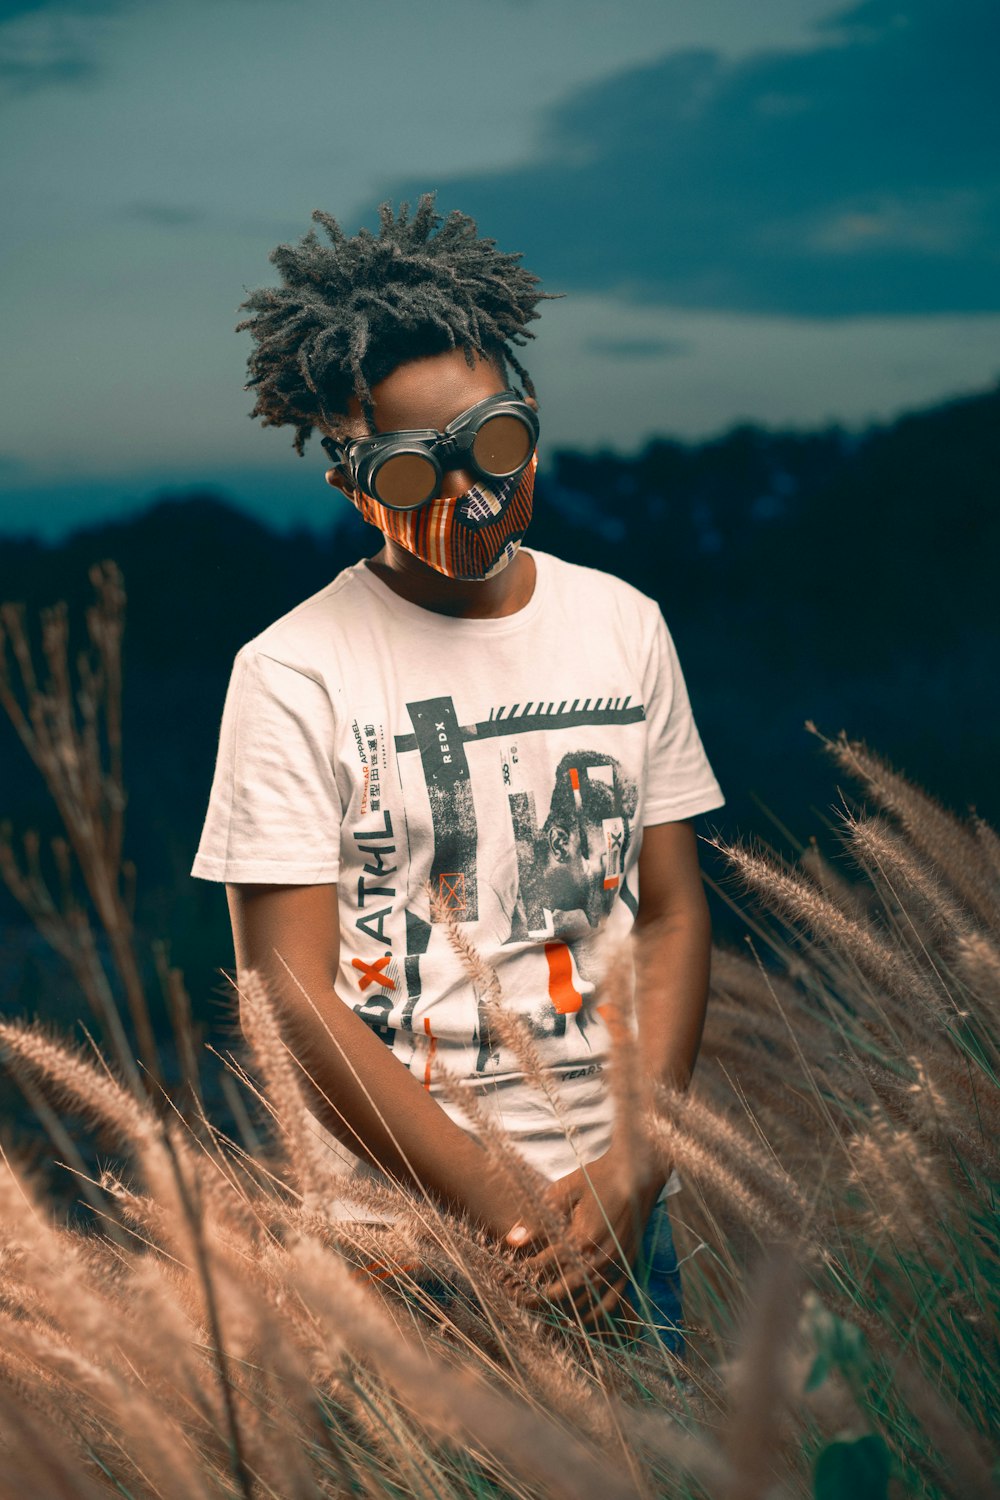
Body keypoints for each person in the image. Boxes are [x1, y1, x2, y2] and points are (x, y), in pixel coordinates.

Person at [191, 194, 724, 1355]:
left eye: (491, 446)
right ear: (349, 482)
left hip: (625, 1219)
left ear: (531, 414)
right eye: (410, 475)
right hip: (407, 1251)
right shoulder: (292, 672)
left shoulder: (623, 626)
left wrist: (638, 1159)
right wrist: (494, 1200)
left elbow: (674, 911)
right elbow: (288, 993)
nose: (469, 499)